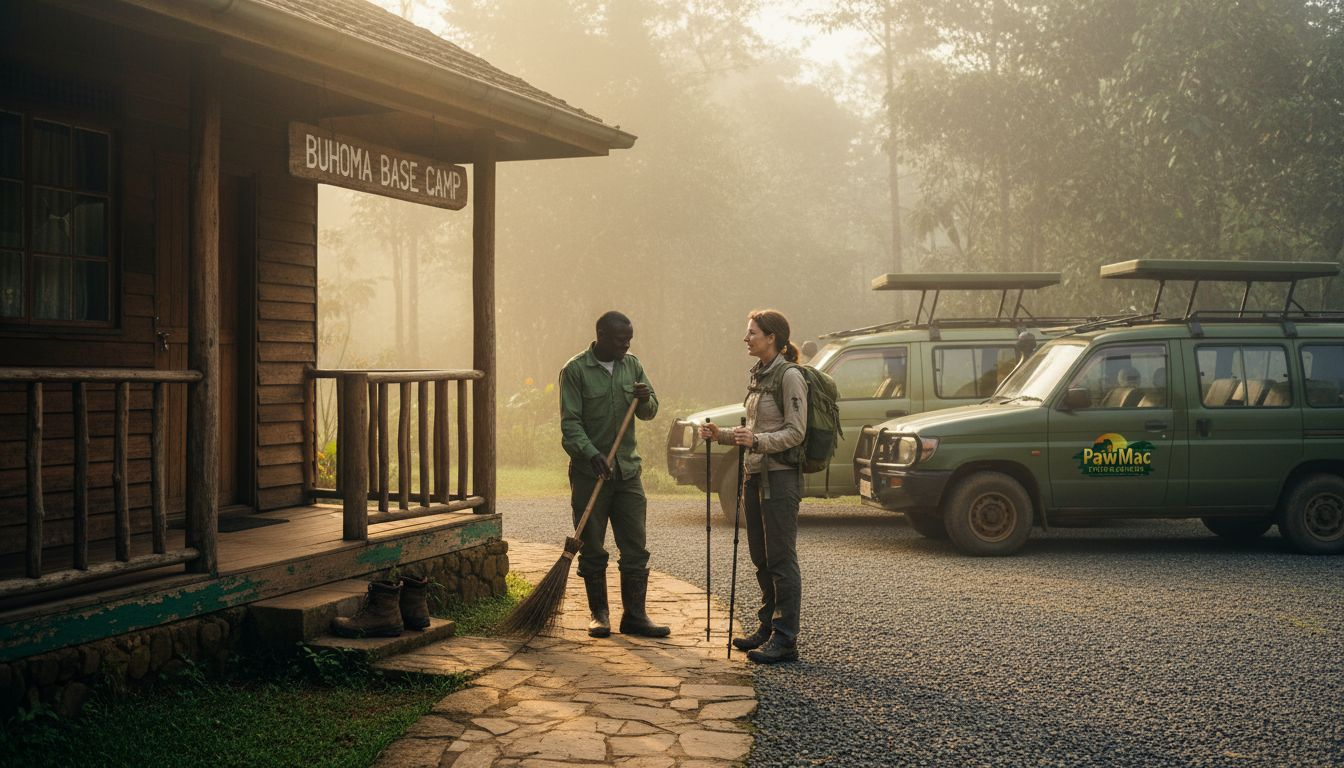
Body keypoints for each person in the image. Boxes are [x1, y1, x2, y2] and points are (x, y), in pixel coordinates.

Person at [699, 309, 805, 664]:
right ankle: (767, 628)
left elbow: (796, 431)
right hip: (756, 475)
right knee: (760, 557)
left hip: (780, 478)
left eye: (752, 332)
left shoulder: (789, 377)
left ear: (772, 337)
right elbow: (752, 432)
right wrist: (722, 435)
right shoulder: (759, 375)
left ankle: (786, 638)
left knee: (780, 558)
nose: (746, 338)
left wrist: (756, 441)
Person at [559, 311, 670, 639]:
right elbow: (570, 425)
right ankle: (600, 615)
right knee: (592, 547)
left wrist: (645, 398)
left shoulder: (632, 365)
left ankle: (635, 616)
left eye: (630, 339)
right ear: (602, 335)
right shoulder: (575, 370)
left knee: (635, 547)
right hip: (589, 473)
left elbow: (650, 412)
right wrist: (590, 453)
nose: (627, 344)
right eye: (621, 339)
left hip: (628, 472)